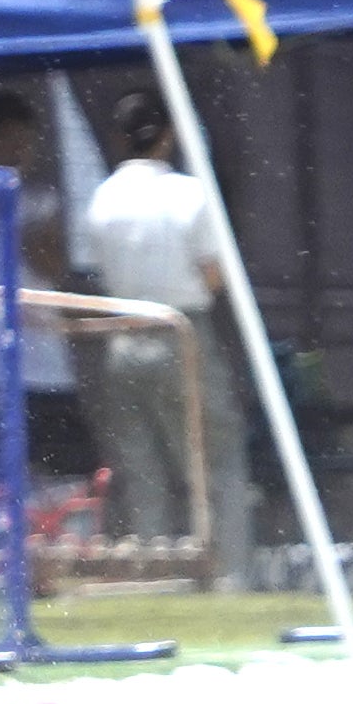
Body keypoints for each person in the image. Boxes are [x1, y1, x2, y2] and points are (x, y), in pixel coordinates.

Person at [81, 90, 234, 565]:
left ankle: (153, 566)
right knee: (212, 459)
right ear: (168, 136)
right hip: (182, 331)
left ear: (118, 138)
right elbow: (214, 277)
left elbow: (97, 270)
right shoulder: (190, 193)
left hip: (123, 337)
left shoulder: (102, 198)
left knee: (140, 463)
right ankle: (229, 568)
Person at [0, 89, 99, 509]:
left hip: (45, 367)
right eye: (7, 139)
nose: (18, 150)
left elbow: (54, 267)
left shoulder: (41, 202)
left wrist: (16, 224)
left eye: (25, 140)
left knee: (67, 478)